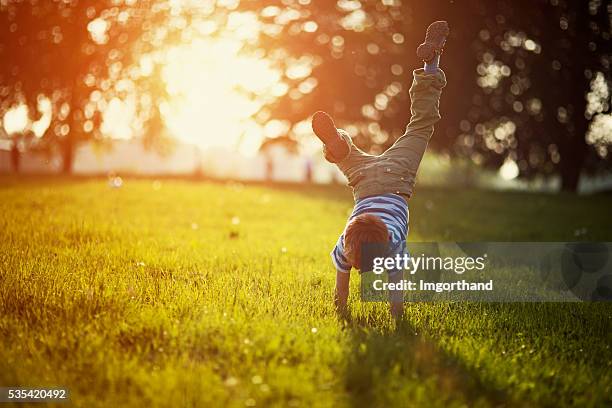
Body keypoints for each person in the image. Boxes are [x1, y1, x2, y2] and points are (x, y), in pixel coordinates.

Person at [311, 21, 449, 318]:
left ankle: (430, 63)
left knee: (421, 126)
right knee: (354, 154)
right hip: (364, 182)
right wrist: (394, 317)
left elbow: (343, 292)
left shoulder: (356, 247)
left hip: (396, 176)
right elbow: (392, 297)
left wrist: (342, 314)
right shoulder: (353, 242)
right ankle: (338, 146)